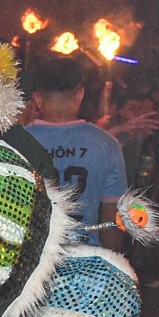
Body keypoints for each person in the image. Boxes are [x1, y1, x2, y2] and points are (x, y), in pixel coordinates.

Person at [24, 57, 128, 251]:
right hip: (85, 258)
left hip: (34, 261)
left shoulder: (19, 142)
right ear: (80, 95)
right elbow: (111, 225)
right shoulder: (107, 145)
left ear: (37, 98)